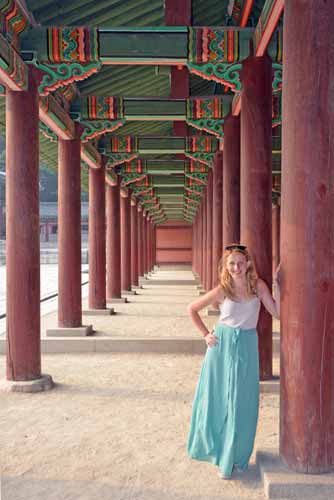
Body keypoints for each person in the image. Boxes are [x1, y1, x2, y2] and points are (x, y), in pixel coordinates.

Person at [187, 244, 280, 479]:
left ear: (247, 263)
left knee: (242, 402)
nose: (236, 268)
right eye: (231, 264)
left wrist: (277, 285)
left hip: (247, 345)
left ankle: (237, 457)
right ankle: (221, 457)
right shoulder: (223, 289)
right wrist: (206, 334)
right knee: (218, 400)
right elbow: (192, 309)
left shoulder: (258, 286)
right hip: (221, 346)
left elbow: (277, 312)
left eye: (240, 263)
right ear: (226, 267)